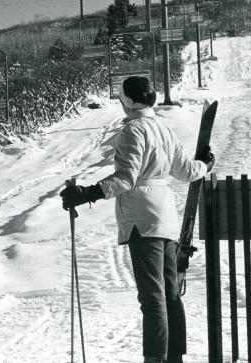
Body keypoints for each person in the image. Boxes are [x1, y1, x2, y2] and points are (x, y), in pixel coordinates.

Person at [60, 76, 215, 363]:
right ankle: (174, 357)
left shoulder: (133, 131)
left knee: (152, 297)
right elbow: (186, 171)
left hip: (142, 221)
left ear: (128, 102)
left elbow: (126, 179)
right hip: (166, 218)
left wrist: (88, 193)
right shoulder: (163, 129)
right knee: (170, 294)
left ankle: (154, 358)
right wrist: (206, 164)